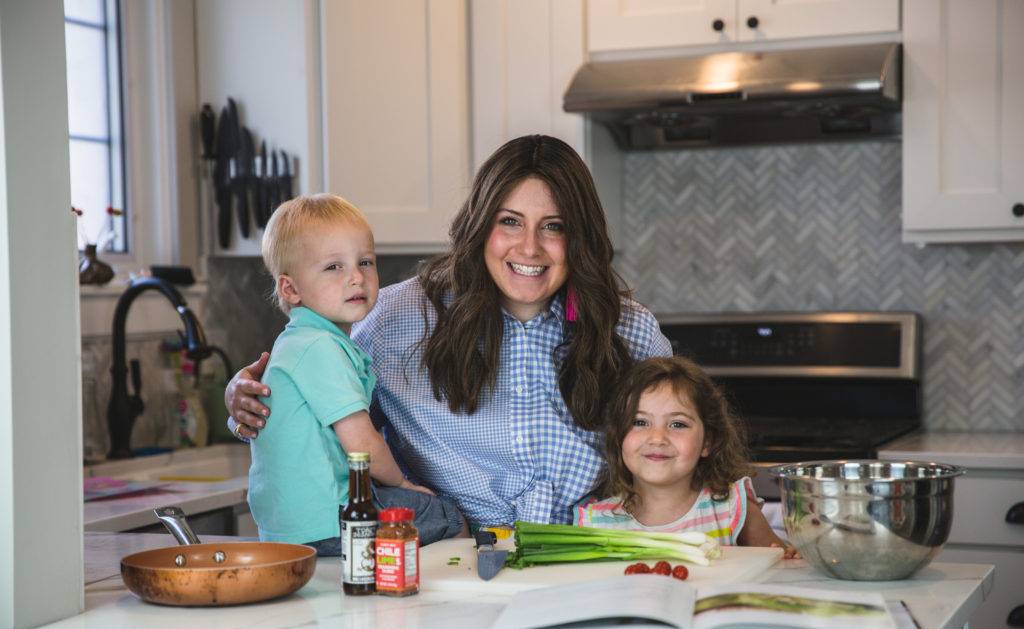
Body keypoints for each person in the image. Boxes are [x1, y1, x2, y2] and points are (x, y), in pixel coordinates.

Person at [226, 135, 673, 527]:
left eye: (553, 227)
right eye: (510, 221)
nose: (530, 247)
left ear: (580, 238)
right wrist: (246, 401)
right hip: (446, 559)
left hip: (589, 553)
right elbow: (318, 409)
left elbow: (684, 442)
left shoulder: (629, 329)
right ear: (481, 226)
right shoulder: (397, 316)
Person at [247, 193, 462, 554]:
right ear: (291, 288)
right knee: (447, 517)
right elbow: (362, 445)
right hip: (332, 516)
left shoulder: (301, 342)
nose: (356, 278)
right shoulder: (320, 348)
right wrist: (404, 485)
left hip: (292, 527)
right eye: (334, 267)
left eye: (365, 262)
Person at [576, 355, 798, 557]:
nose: (657, 438)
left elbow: (779, 566)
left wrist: (792, 557)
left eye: (677, 424)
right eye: (640, 422)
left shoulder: (732, 508)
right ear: (618, 436)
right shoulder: (595, 523)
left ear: (708, 442)